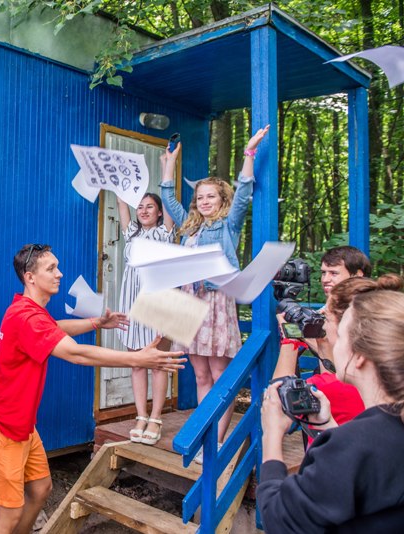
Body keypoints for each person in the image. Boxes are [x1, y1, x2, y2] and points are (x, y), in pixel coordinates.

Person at [0, 244, 187, 534]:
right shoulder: (26, 317)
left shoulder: (28, 311)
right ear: (30, 277)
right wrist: (138, 358)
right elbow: (76, 354)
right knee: (8, 515)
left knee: (40, 489)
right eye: (51, 268)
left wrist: (95, 323)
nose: (60, 274)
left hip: (22, 425)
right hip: (2, 429)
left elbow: (55, 327)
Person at [258, 279, 404, 532]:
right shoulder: (381, 433)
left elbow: (280, 519)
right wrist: (327, 426)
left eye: (341, 335)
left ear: (359, 356)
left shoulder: (353, 443)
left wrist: (271, 436)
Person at [160, 125, 270, 459]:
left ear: (222, 199)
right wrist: (169, 164)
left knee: (220, 374)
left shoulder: (228, 225)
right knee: (201, 374)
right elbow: (168, 198)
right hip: (189, 303)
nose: (204, 201)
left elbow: (245, 190)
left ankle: (217, 443)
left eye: (211, 196)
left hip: (216, 302)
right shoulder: (190, 225)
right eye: (200, 197)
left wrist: (250, 151)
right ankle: (206, 435)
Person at [272, 276, 404, 443]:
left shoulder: (326, 388)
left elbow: (277, 401)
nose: (322, 324)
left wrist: (289, 339)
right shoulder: (388, 388)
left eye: (326, 318)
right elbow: (332, 373)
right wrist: (323, 343)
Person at [116, 190, 174, 445]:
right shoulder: (131, 234)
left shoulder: (165, 233)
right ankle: (140, 415)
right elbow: (121, 201)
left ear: (159, 212)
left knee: (158, 363)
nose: (144, 210)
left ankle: (156, 418)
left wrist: (167, 174)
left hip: (158, 305)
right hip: (131, 305)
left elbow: (169, 198)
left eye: (150, 206)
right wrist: (119, 183)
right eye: (140, 206)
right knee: (137, 363)